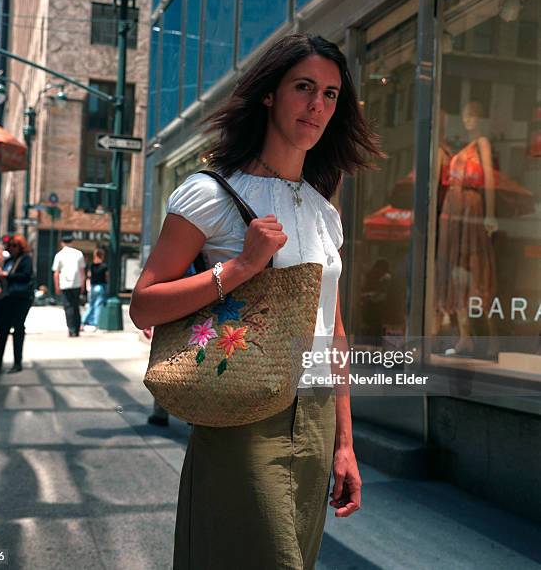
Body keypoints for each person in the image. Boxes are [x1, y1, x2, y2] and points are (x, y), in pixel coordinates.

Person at [130, 33, 383, 569]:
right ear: (270, 94)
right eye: (304, 88)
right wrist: (241, 267)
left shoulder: (322, 210)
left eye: (331, 95)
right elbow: (145, 304)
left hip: (314, 418)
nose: (318, 105)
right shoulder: (211, 193)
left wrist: (345, 443)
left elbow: (332, 333)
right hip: (242, 411)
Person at [435, 101, 498, 356]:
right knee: (455, 272)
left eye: (473, 115)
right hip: (453, 213)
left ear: (480, 119)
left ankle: (491, 339)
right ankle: (464, 337)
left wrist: (491, 213)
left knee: (475, 270)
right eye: (466, 115)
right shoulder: (457, 150)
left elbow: (490, 180)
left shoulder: (481, 144)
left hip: (470, 210)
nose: (468, 119)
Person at [0, 235, 35, 373]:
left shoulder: (25, 259)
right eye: (10, 246)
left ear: (21, 247)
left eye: (15, 246)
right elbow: (2, 277)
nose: (12, 248)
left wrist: (7, 275)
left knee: (18, 328)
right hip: (9, 297)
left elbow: (26, 276)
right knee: (3, 329)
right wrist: (0, 274)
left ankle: (17, 362)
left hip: (21, 298)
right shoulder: (10, 260)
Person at [52, 235, 86, 337]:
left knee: (68, 307)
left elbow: (56, 273)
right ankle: (77, 329)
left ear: (62, 243)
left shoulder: (59, 255)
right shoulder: (78, 253)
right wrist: (83, 285)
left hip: (65, 284)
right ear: (72, 242)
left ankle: (71, 329)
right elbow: (82, 271)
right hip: (77, 284)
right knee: (76, 307)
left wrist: (57, 286)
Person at [81, 247, 108, 331]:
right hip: (101, 286)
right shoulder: (104, 266)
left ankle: (83, 321)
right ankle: (95, 323)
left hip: (93, 286)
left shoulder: (91, 266)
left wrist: (87, 286)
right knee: (98, 305)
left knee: (91, 305)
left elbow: (88, 276)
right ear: (102, 256)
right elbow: (107, 277)